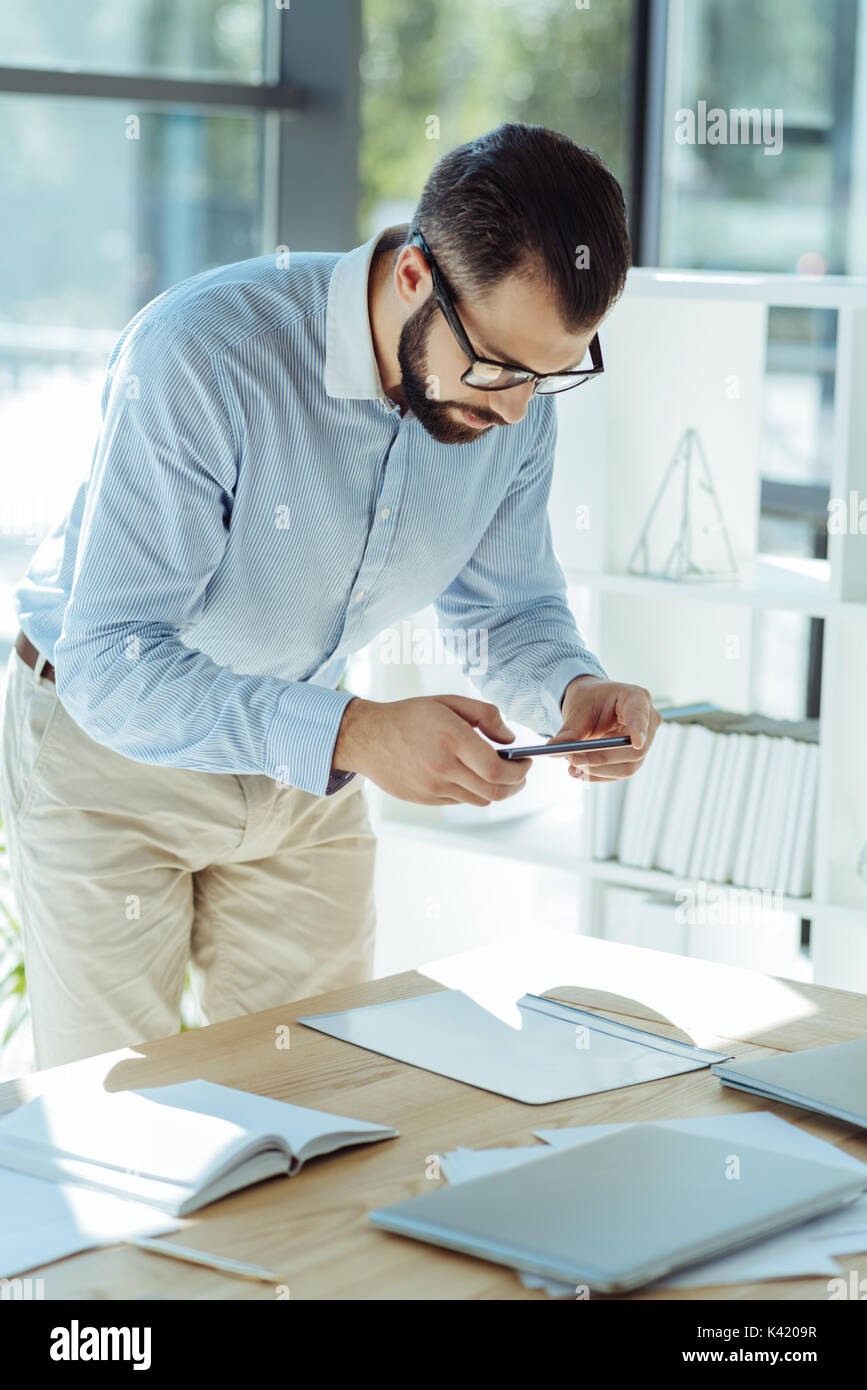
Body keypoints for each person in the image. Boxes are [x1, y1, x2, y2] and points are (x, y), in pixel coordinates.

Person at [0, 122, 660, 1068]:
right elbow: (114, 658)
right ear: (412, 281)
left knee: (315, 1089)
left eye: (552, 376)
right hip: (112, 754)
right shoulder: (204, 351)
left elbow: (507, 610)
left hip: (304, 773)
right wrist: (355, 734)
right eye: (499, 370)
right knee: (118, 1116)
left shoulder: (515, 401)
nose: (516, 409)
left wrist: (567, 691)